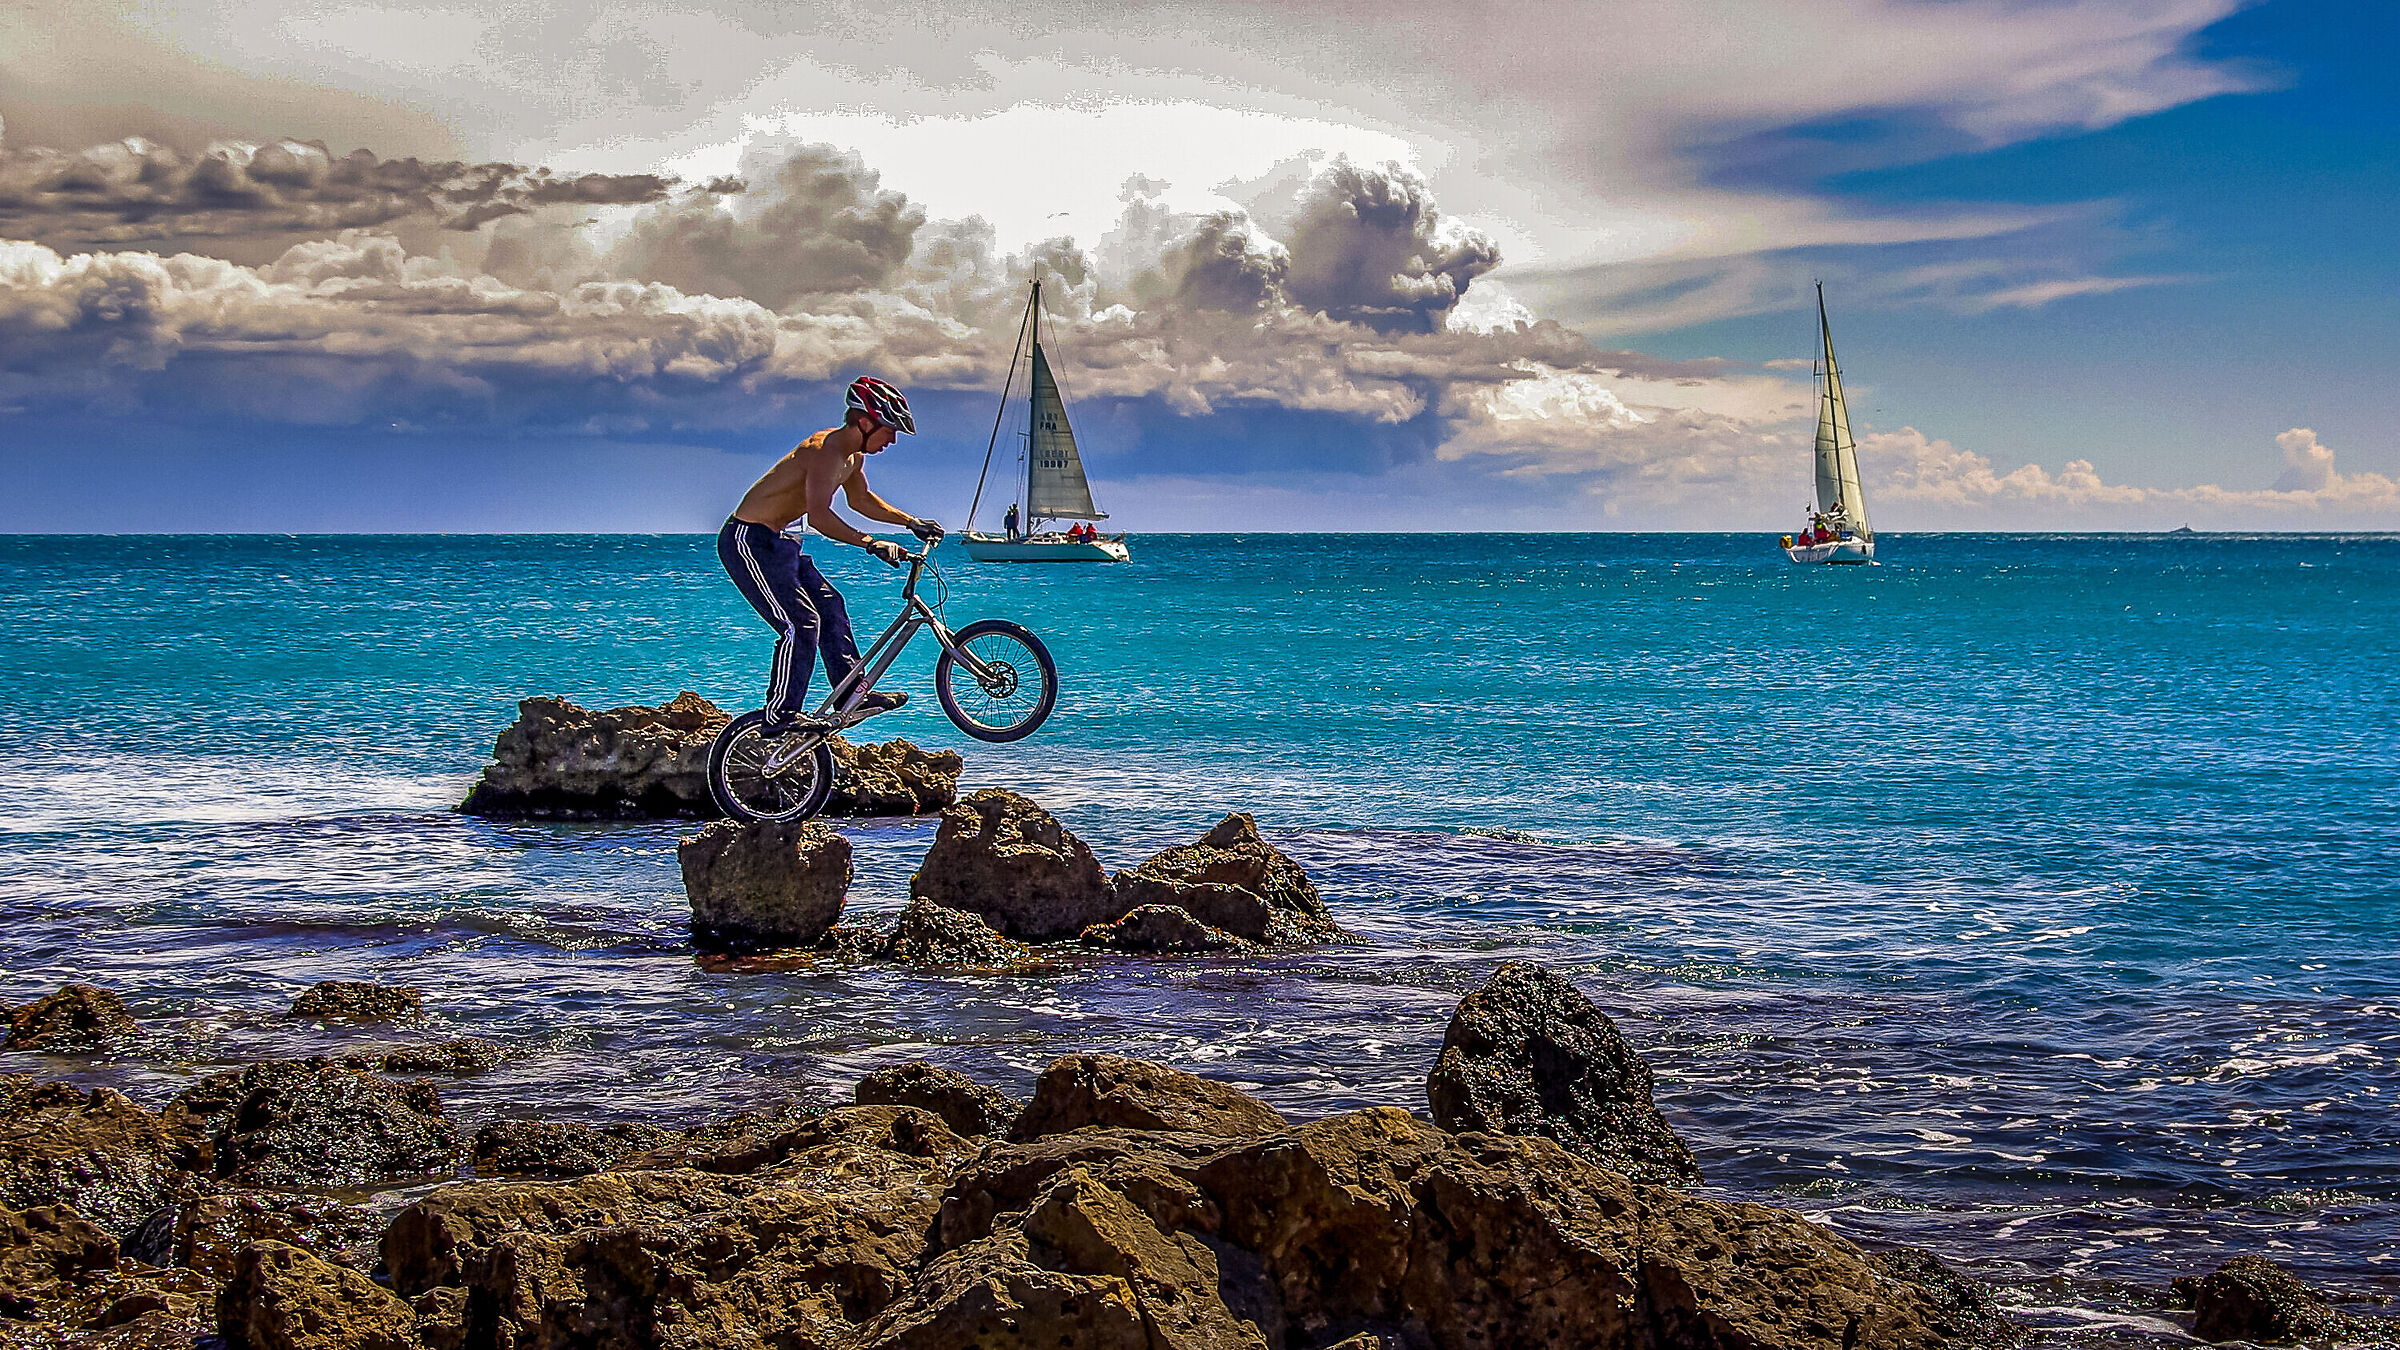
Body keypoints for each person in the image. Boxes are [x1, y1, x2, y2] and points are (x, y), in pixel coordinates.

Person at [719, 376, 942, 735]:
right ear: (865, 422)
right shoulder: (825, 450)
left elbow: (861, 500)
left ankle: (853, 694)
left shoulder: (852, 457)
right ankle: (781, 715)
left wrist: (911, 522)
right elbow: (819, 516)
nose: (893, 439)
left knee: (831, 607)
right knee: (800, 624)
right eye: (889, 429)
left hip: (781, 544)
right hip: (749, 541)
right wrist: (871, 543)